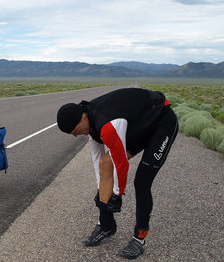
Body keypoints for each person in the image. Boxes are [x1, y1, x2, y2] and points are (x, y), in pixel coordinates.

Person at [56, 87, 178, 259]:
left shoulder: (107, 125)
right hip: (139, 128)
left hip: (161, 123)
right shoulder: (90, 125)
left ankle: (139, 238)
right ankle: (106, 225)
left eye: (75, 131)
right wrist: (102, 196)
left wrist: (117, 194)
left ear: (82, 118)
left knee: (142, 181)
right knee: (106, 164)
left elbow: (121, 165)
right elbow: (99, 161)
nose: (76, 136)